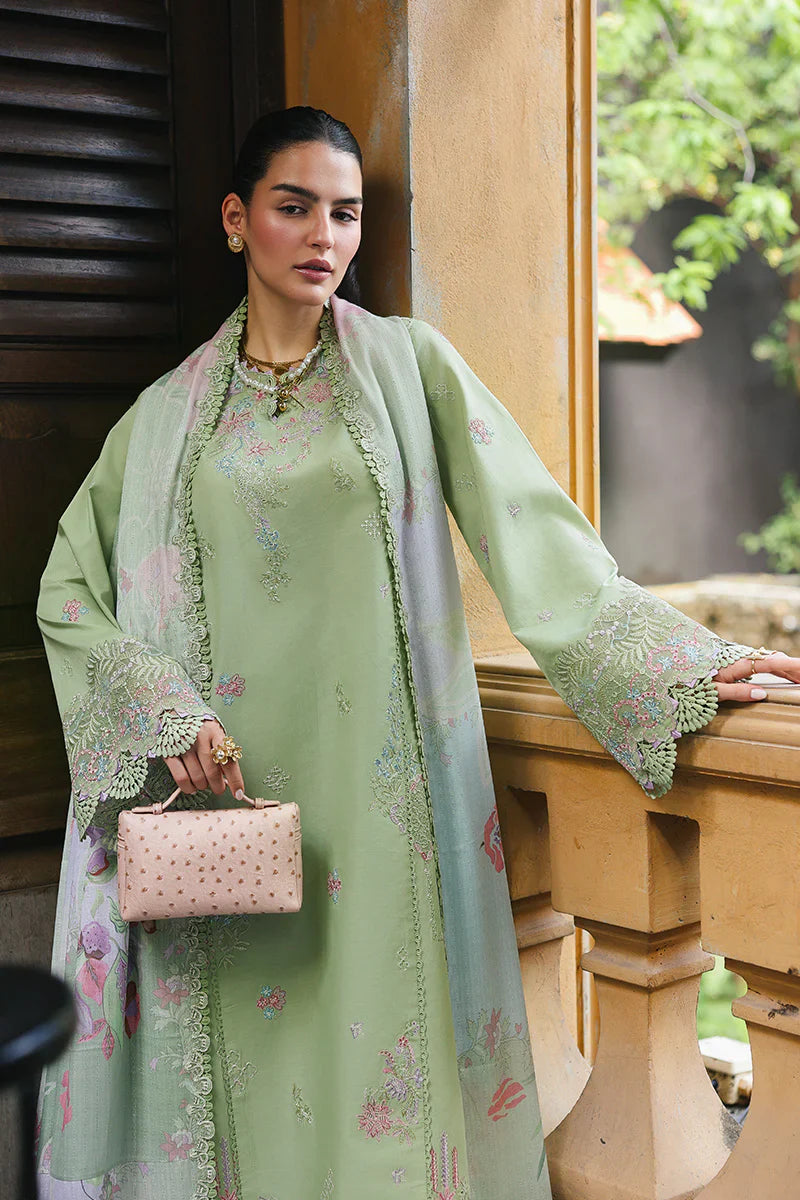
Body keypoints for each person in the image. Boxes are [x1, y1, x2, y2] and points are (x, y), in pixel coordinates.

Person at [35, 107, 800, 1200]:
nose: (324, 236)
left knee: (376, 1070)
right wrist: (162, 711)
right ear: (235, 218)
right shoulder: (164, 421)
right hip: (223, 805)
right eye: (295, 206)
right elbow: (67, 590)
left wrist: (676, 665)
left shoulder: (404, 367)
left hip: (377, 802)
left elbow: (530, 530)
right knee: (240, 1087)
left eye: (345, 213)